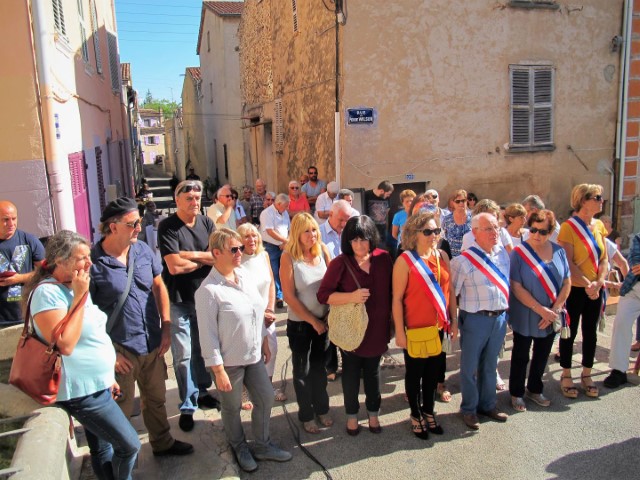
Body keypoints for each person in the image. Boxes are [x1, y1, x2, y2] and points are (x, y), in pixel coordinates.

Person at [25, 230, 140, 479]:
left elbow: (95, 332)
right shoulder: (48, 294)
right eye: (82, 258)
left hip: (97, 385)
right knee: (130, 445)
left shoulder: (76, 285)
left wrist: (107, 375)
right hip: (81, 392)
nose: (89, 263)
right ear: (60, 260)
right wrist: (79, 296)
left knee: (103, 448)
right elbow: (65, 344)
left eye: (89, 256)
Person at [90, 198, 194, 457]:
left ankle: (162, 443)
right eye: (132, 223)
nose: (139, 227)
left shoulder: (143, 251)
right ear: (113, 227)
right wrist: (110, 354)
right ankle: (122, 461)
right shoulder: (93, 262)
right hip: (119, 348)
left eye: (138, 222)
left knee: (157, 400)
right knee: (120, 408)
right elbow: (86, 313)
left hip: (152, 342)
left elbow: (159, 286)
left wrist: (167, 326)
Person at [195, 229, 292, 472]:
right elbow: (207, 336)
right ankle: (238, 447)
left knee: (266, 397)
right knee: (231, 407)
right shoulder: (208, 291)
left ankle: (262, 444)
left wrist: (265, 341)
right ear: (216, 253)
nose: (241, 252)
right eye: (234, 249)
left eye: (241, 248)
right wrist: (218, 371)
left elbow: (255, 312)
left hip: (254, 355)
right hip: (229, 363)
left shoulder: (243, 275)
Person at [317, 216, 392, 435]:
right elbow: (323, 295)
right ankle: (352, 416)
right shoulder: (340, 263)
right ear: (347, 241)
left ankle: (373, 414)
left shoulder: (384, 258)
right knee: (350, 373)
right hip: (351, 330)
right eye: (354, 240)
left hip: (377, 329)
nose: (359, 245)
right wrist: (351, 296)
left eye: (364, 239)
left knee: (373, 372)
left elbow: (394, 292)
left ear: (372, 238)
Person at [158, 179, 219, 432]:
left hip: (204, 297)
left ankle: (202, 392)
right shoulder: (168, 227)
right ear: (177, 201)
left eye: (197, 198)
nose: (195, 203)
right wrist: (202, 260)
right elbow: (173, 266)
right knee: (183, 355)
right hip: (179, 300)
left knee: (203, 350)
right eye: (189, 199)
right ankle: (187, 404)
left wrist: (187, 254)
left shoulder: (207, 223)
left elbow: (217, 255)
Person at [392, 212, 457, 439]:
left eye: (436, 231)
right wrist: (399, 332)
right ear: (414, 233)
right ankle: (415, 414)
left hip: (439, 328)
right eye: (427, 231)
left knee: (432, 375)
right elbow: (397, 299)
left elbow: (450, 293)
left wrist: (454, 322)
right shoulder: (404, 260)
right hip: (415, 330)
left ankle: (429, 411)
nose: (433, 235)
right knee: (415, 374)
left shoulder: (442, 256)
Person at [451, 212, 510, 430]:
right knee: (470, 367)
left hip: (499, 317)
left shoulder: (502, 254)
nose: (495, 232)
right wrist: (454, 323)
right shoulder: (462, 261)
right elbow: (452, 295)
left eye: (496, 227)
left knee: (490, 364)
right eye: (488, 228)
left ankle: (488, 404)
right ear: (474, 232)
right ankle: (469, 409)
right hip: (475, 318)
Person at [508, 210, 571, 411]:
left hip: (551, 313)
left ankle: (535, 388)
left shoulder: (559, 251)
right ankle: (516, 392)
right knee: (521, 354)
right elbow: (516, 286)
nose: (536, 235)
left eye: (542, 232)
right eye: (533, 229)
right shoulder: (519, 253)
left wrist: (555, 309)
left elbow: (567, 281)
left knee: (542, 353)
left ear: (551, 231)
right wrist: (540, 309)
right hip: (527, 313)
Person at [280, 213, 333, 434]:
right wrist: (313, 321)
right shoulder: (288, 257)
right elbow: (290, 296)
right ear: (296, 233)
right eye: (306, 231)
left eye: (314, 230)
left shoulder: (323, 250)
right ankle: (306, 415)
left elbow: (334, 283)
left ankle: (322, 409)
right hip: (301, 325)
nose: (312, 235)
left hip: (324, 322)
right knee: (302, 371)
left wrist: (328, 318)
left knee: (320, 369)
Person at [557, 184, 608, 399]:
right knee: (570, 331)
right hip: (576, 289)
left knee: (591, 332)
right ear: (583, 200)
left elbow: (604, 258)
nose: (601, 200)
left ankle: (587, 373)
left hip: (595, 288)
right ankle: (566, 373)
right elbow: (568, 262)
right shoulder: (569, 227)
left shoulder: (598, 226)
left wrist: (599, 282)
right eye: (597, 197)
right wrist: (588, 284)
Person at [237, 223, 286, 402]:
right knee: (247, 352)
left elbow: (271, 283)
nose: (252, 239)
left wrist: (270, 309)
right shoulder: (237, 258)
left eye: (254, 235)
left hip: (266, 314)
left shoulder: (264, 255)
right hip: (246, 315)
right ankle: (243, 391)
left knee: (271, 348)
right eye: (246, 236)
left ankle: (268, 386)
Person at [318, 200, 353, 381]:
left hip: (346, 290)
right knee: (328, 328)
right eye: (341, 220)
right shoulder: (319, 234)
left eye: (347, 220)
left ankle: (349, 365)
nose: (344, 224)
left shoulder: (348, 233)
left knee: (346, 328)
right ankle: (330, 366)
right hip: (327, 288)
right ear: (330, 215)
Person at [604, 232, 640, 388]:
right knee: (621, 324)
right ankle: (618, 371)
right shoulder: (639, 237)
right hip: (633, 289)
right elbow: (635, 261)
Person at [0, 201, 45, 325]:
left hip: (28, 316)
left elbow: (48, 273)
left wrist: (19, 278)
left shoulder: (29, 240)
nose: (11, 224)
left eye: (14, 219)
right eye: (5, 220)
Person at [260, 193, 291, 309]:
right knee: (274, 271)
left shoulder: (284, 212)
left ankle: (284, 294)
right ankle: (278, 296)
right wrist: (285, 241)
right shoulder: (267, 213)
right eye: (286, 206)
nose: (287, 208)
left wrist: (285, 241)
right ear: (278, 204)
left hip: (283, 245)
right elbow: (270, 231)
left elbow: (288, 228)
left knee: (284, 270)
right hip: (271, 246)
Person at [441, 189, 472, 258]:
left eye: (463, 201)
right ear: (453, 203)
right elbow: (443, 237)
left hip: (470, 257)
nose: (461, 203)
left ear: (466, 201)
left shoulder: (473, 218)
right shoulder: (447, 220)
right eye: (458, 201)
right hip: (452, 259)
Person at [364, 180, 394, 247]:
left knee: (382, 249)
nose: (388, 196)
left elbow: (387, 210)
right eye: (388, 194)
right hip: (370, 228)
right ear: (381, 191)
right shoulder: (366, 195)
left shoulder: (387, 198)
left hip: (382, 229)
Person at [391, 189, 416, 254]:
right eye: (407, 201)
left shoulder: (419, 214)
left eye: (411, 201)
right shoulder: (398, 216)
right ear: (402, 203)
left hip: (417, 246)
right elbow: (394, 234)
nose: (409, 203)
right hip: (403, 247)